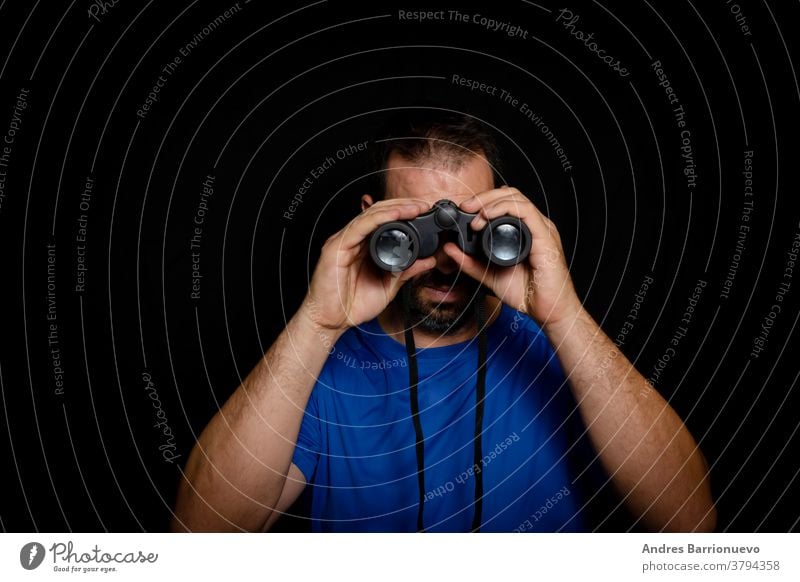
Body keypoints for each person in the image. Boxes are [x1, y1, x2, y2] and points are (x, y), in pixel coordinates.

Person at [171, 109, 716, 532]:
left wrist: (563, 314)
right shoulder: (322, 365)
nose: (446, 259)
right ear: (372, 219)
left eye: (468, 225)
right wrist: (316, 323)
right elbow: (200, 539)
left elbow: (690, 523)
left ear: (502, 221)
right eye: (418, 230)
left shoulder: (558, 350)